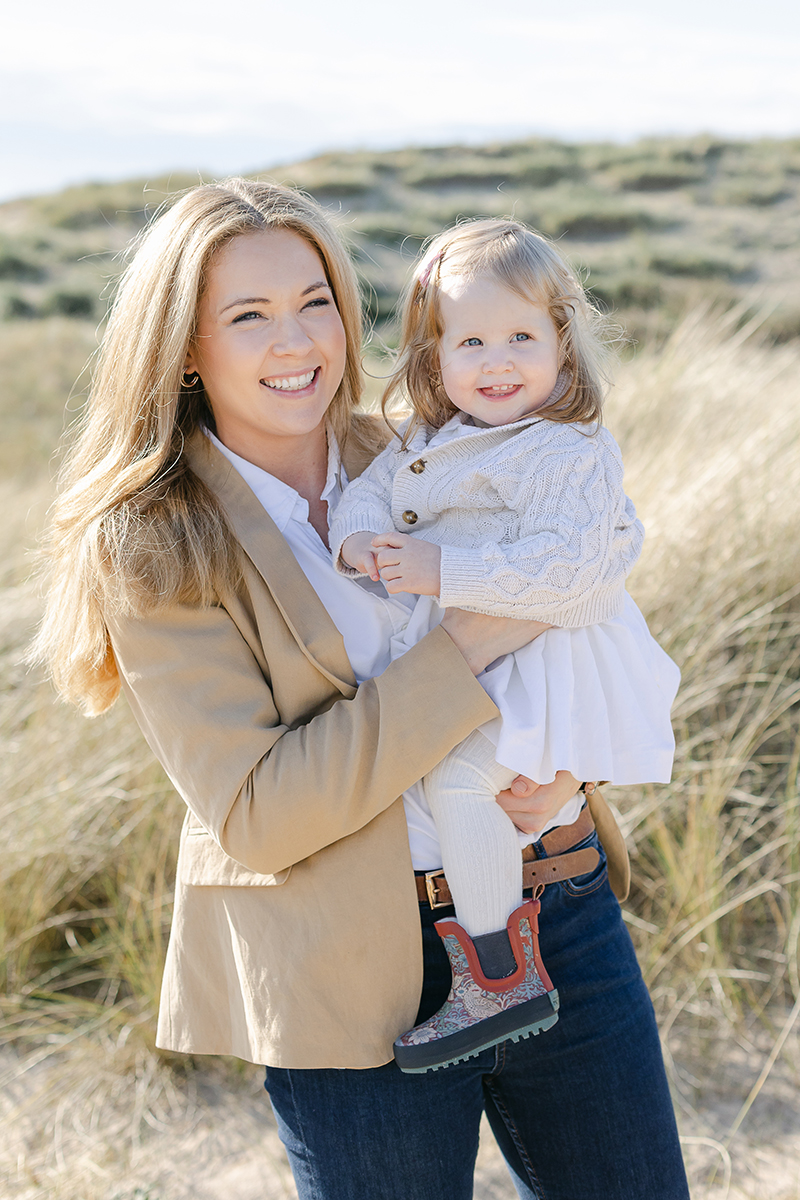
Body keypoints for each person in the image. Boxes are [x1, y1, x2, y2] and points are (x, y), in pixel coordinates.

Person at [33, 178, 689, 1200]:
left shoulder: (418, 452)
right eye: (247, 317)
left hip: (555, 908)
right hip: (352, 971)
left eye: (315, 302)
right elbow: (258, 813)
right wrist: (469, 637)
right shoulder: (156, 545)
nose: (297, 341)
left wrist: (559, 773)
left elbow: (598, 545)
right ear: (185, 348)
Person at [330, 218, 681, 1073]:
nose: (497, 362)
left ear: (563, 342)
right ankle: (496, 971)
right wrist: (356, 543)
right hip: (482, 667)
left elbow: (570, 571)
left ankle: (497, 977)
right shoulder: (427, 438)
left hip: (552, 665)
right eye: (471, 340)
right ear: (434, 356)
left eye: (522, 336)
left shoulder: (566, 448)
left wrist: (440, 568)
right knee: (465, 779)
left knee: (462, 778)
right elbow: (367, 499)